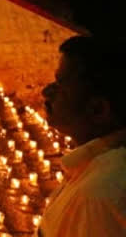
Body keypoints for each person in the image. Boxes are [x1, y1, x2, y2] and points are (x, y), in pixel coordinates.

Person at [38, 36, 126, 236]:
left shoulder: (101, 195)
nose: (46, 91)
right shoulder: (89, 168)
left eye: (60, 85)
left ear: (98, 110)